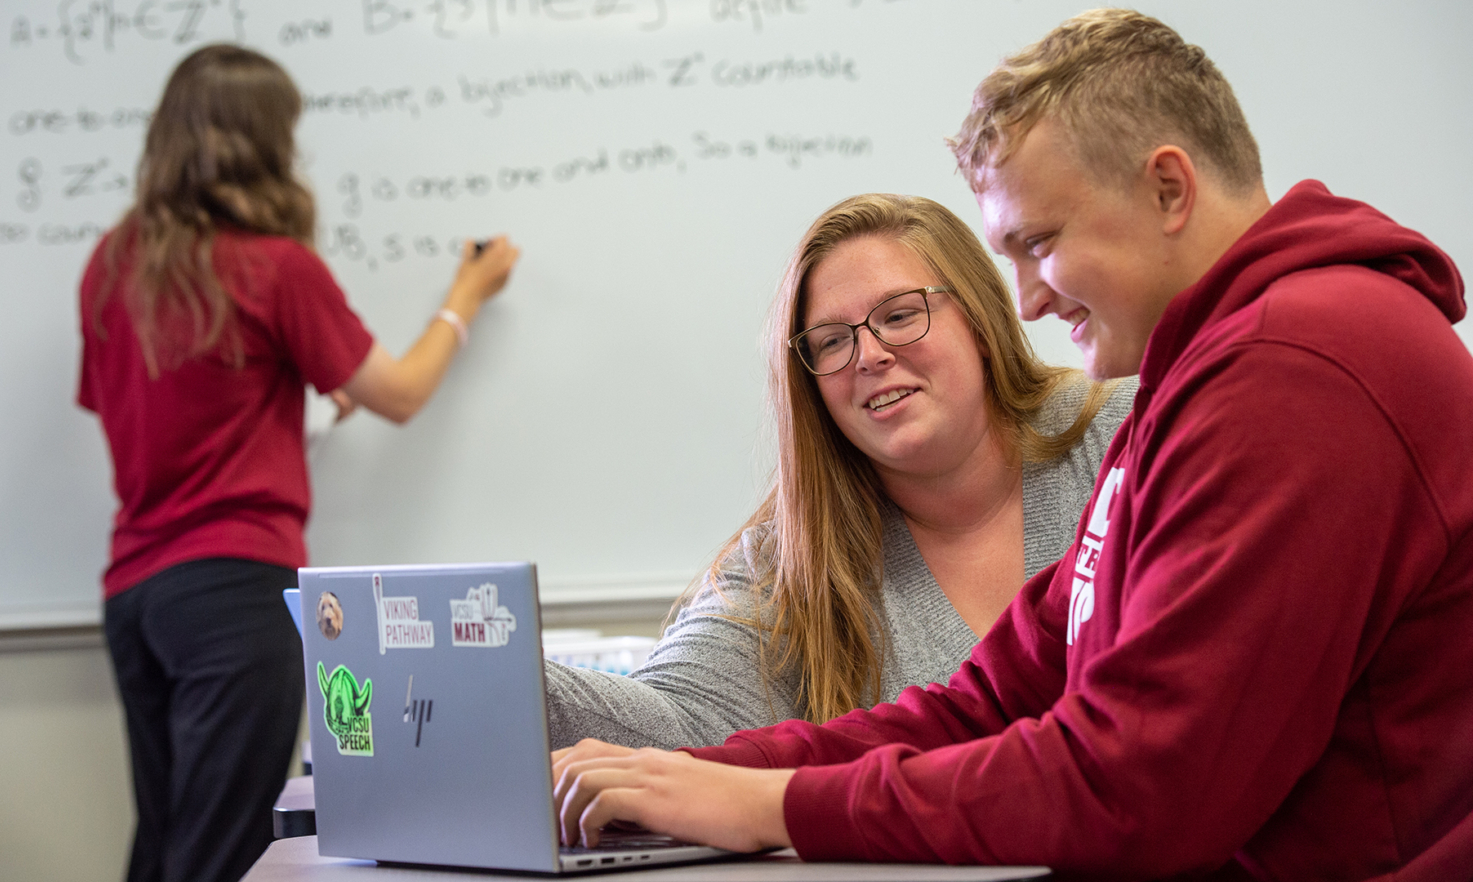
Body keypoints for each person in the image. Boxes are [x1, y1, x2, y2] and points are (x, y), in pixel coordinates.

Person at [551, 9, 1473, 879]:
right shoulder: (1201, 380)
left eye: (1041, 243)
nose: (1029, 298)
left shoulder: (1294, 369)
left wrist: (779, 807)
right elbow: (996, 696)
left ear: (1168, 188)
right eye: (831, 343)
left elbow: (1136, 785)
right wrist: (732, 778)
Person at [77, 45, 519, 882]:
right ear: (261, 142)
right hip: (231, 595)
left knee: (167, 841)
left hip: (134, 596)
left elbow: (160, 411)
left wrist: (298, 402)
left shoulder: (112, 264)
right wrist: (466, 297)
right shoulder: (275, 267)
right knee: (224, 853)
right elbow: (400, 393)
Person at [545, 193, 1135, 751]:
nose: (870, 355)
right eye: (831, 343)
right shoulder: (799, 558)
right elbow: (672, 722)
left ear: (980, 321)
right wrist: (488, 665)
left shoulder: (1126, 433)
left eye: (901, 316)